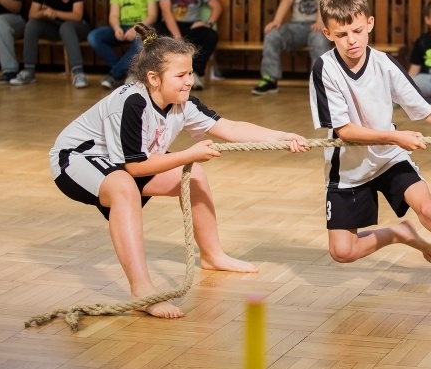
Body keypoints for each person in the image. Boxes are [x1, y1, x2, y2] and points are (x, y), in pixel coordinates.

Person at [50, 24, 310, 318]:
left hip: (122, 162)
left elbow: (230, 128)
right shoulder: (132, 102)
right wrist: (189, 153)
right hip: (76, 159)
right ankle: (142, 290)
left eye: (190, 73)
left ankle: (212, 256)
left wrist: (281, 137)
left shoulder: (182, 103)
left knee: (194, 174)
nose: (189, 81)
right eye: (181, 75)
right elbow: (134, 167)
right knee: (124, 187)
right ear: (153, 78)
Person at [309, 0, 431, 324]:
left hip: (389, 158)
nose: (351, 40)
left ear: (369, 23)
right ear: (327, 33)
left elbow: (428, 111)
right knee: (342, 252)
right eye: (341, 34)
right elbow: (345, 132)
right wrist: (395, 136)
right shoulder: (324, 69)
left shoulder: (385, 64)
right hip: (349, 169)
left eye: (356, 30)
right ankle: (398, 233)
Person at [252, 0, 338, 95]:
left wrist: (320, 21)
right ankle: (270, 79)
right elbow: (287, 0)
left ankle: (321, 83)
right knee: (272, 35)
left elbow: (326, 1)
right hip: (297, 26)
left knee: (319, 38)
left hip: (321, 25)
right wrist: (277, 21)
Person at [10, 0, 91, 88]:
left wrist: (56, 12)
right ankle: (29, 71)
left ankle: (79, 73)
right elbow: (32, 14)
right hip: (55, 28)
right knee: (32, 25)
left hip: (78, 27)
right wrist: (45, 13)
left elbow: (77, 16)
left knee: (66, 27)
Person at [87, 0, 158, 90]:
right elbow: (113, 15)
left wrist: (136, 28)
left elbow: (152, 15)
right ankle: (126, 73)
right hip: (122, 27)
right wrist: (116, 28)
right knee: (93, 37)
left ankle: (114, 74)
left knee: (144, 42)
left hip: (143, 28)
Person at [157, 0, 222, 91]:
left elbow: (217, 6)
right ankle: (164, 76)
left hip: (191, 26)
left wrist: (208, 23)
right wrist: (178, 38)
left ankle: (195, 73)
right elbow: (166, 12)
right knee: (156, 34)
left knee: (211, 36)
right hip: (170, 25)